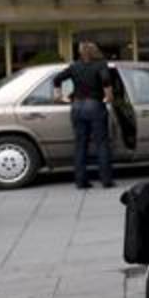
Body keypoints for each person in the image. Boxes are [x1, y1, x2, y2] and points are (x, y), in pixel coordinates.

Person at [53, 41, 114, 189]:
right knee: (101, 144)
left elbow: (57, 79)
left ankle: (80, 181)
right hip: (95, 106)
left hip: (77, 106)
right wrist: (108, 96)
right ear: (94, 51)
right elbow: (106, 80)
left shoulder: (75, 66)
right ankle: (106, 180)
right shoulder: (100, 64)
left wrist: (59, 96)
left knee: (80, 145)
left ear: (81, 52)